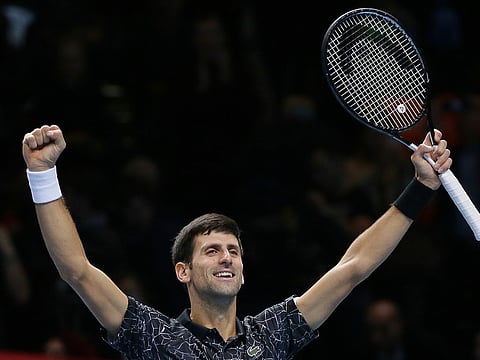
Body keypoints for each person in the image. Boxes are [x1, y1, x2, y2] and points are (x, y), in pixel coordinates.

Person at [21, 124, 452, 359]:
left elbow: (353, 267)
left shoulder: (274, 333)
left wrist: (420, 188)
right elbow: (76, 269)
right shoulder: (151, 335)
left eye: (233, 251)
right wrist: (42, 175)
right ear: (182, 272)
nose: (227, 257)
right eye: (212, 250)